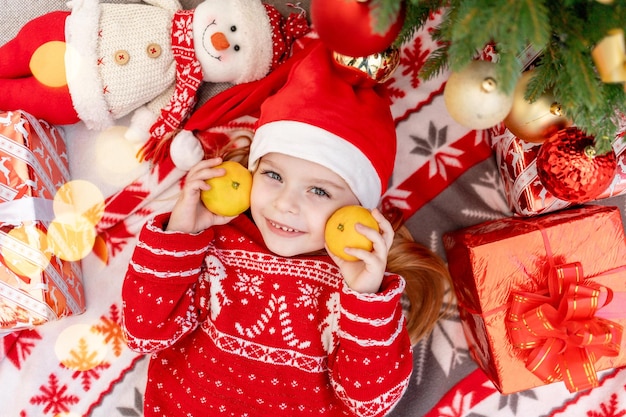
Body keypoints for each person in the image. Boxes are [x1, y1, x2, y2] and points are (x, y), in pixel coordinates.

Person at [122, 42, 451, 417]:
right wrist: (180, 235)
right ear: (251, 173)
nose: (285, 204)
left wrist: (364, 296)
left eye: (319, 191)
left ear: (359, 210)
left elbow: (370, 402)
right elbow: (143, 331)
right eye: (274, 175)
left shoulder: (353, 288)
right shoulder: (214, 245)